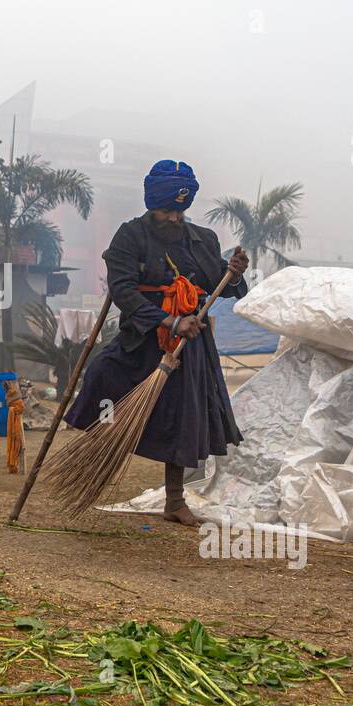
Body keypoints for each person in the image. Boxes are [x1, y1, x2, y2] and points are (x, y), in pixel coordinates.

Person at [64, 160, 250, 524]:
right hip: (143, 337)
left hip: (189, 344)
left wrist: (234, 274)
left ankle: (175, 501)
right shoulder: (129, 236)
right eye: (167, 210)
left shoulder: (204, 240)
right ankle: (103, 447)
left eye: (180, 210)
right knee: (102, 373)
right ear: (152, 204)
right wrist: (168, 321)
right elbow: (123, 291)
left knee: (184, 415)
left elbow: (219, 287)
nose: (174, 218)